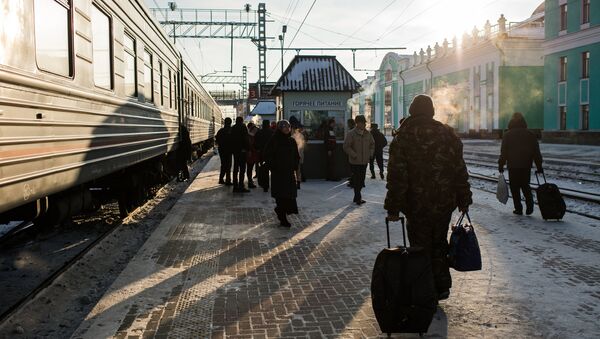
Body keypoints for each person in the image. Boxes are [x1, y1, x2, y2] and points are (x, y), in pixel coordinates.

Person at [384, 94, 472, 301]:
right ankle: (441, 286)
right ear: (431, 111)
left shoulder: (403, 136)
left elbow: (397, 175)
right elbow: (459, 169)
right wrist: (464, 199)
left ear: (412, 112)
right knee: (439, 242)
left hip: (416, 205)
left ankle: (423, 288)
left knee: (420, 245)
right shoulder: (447, 134)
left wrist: (393, 207)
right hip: (443, 202)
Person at [498, 112, 543, 215]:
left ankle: (518, 208)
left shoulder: (507, 135)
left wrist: (501, 164)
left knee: (514, 187)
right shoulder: (530, 134)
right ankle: (530, 206)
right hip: (526, 165)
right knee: (525, 185)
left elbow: (503, 152)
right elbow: (536, 152)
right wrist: (539, 166)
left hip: (513, 166)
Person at [264, 120, 300, 227]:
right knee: (281, 196)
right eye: (284, 127)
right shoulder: (274, 140)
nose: (286, 129)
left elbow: (296, 155)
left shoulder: (291, 141)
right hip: (278, 174)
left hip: (289, 173)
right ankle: (282, 217)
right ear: (279, 128)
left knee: (289, 196)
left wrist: (295, 164)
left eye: (288, 127)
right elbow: (267, 155)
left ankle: (281, 212)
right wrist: (274, 167)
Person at [343, 115, 374, 205]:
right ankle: (358, 198)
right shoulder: (351, 134)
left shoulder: (368, 134)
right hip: (355, 161)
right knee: (357, 180)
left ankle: (356, 197)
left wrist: (370, 153)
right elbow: (346, 147)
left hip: (364, 161)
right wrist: (354, 155)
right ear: (358, 123)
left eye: (365, 122)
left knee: (362, 180)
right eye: (362, 122)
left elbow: (372, 144)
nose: (364, 124)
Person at [230, 116, 250, 193]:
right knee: (242, 169)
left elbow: (230, 139)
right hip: (242, 151)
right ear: (242, 121)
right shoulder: (243, 127)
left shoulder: (233, 128)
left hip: (235, 152)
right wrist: (248, 149)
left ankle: (235, 186)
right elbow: (246, 139)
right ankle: (241, 186)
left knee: (235, 169)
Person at [215, 118, 233, 185]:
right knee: (228, 165)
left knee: (223, 165)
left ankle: (221, 179)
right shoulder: (231, 130)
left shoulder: (220, 131)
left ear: (224, 122)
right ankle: (227, 180)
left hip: (222, 150)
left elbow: (217, 140)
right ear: (230, 123)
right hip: (229, 150)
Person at [291, 122, 306, 188]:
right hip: (299, 155)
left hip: (294, 155)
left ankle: (295, 182)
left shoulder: (292, 137)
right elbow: (303, 145)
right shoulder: (301, 136)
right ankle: (298, 182)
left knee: (293, 169)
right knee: (298, 169)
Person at [246, 122, 259, 188]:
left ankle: (250, 181)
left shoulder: (252, 136)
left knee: (250, 168)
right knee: (250, 168)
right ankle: (250, 182)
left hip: (253, 154)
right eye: (255, 130)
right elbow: (250, 146)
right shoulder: (250, 136)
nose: (256, 131)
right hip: (251, 154)